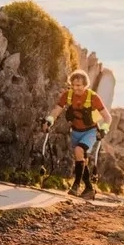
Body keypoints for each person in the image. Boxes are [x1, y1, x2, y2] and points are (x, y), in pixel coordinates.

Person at [42, 69, 112, 199]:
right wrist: (49, 121)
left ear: (85, 85)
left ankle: (75, 185)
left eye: (79, 85)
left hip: (90, 131)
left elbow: (108, 117)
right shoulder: (67, 95)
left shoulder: (93, 97)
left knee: (79, 151)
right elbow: (56, 111)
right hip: (75, 131)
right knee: (81, 159)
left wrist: (104, 129)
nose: (75, 88)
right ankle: (89, 188)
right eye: (73, 85)